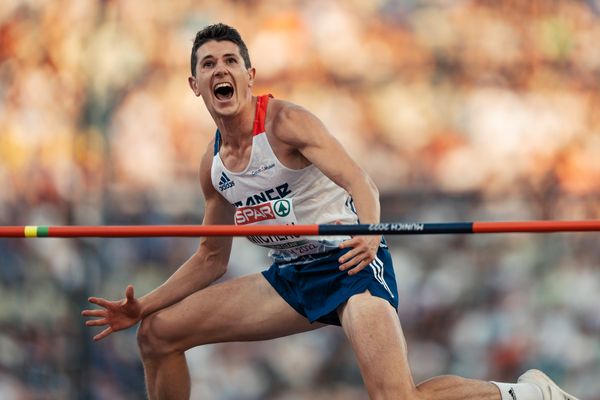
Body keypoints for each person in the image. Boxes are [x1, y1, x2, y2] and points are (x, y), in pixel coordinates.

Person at [82, 23, 580, 400]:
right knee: (158, 334)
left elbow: (360, 180)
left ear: (249, 75)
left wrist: (368, 231)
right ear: (195, 84)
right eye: (209, 64)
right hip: (292, 279)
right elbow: (212, 258)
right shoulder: (213, 167)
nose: (220, 70)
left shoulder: (287, 125)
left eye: (230, 60)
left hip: (351, 266)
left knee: (394, 396)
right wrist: (142, 305)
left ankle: (525, 394)